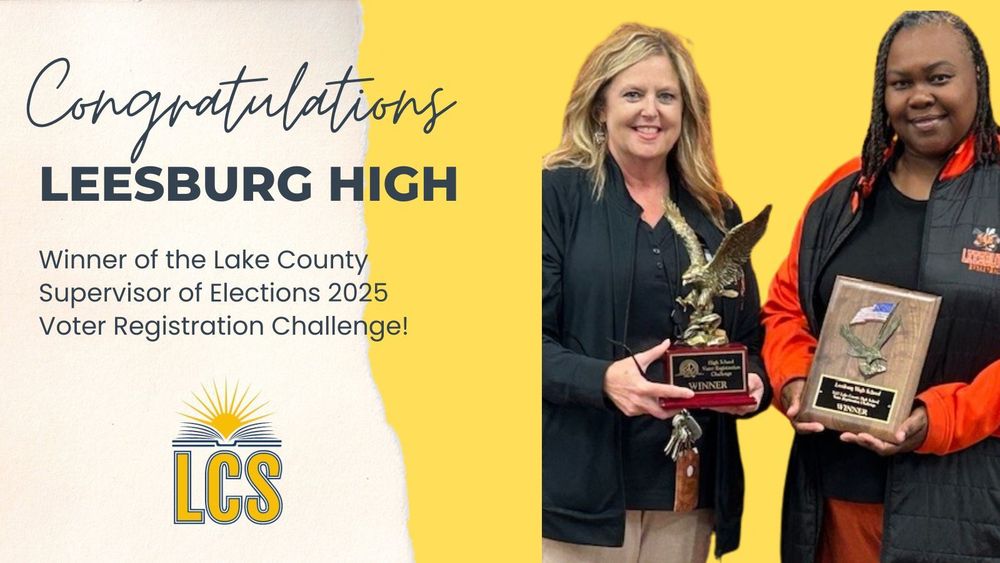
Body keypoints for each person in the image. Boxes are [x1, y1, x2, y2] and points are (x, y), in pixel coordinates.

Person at [762, 11, 1000, 563]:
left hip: (973, 508)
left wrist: (939, 419)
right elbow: (785, 310)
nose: (920, 97)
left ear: (978, 80)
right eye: (901, 83)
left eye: (939, 78)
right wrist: (795, 381)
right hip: (840, 501)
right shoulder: (843, 192)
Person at [542, 23, 771, 562]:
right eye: (632, 94)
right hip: (581, 496)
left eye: (666, 96)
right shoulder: (555, 196)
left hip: (687, 493)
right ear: (600, 107)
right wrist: (601, 380)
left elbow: (750, 337)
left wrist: (755, 384)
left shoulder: (717, 212)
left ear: (686, 111)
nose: (651, 111)